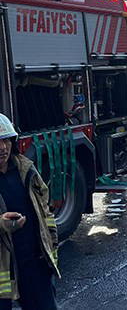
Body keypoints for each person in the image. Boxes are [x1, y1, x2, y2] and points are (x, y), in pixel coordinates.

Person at [0, 114, 60, 309]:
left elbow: (45, 211)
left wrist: (51, 245)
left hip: (34, 263)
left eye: (6, 140)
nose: (3, 147)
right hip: (3, 269)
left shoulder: (26, 169)